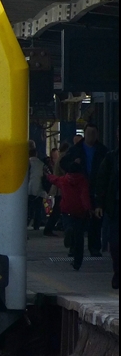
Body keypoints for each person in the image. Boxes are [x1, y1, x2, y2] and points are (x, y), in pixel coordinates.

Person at [61, 124, 108, 255]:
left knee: (95, 220)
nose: (91, 136)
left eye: (93, 133)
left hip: (96, 189)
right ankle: (74, 247)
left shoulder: (103, 151)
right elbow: (63, 163)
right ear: (84, 134)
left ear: (97, 135)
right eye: (88, 133)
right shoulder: (75, 150)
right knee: (78, 220)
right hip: (78, 190)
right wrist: (73, 165)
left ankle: (94, 247)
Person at [46, 164, 92, 270]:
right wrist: (88, 209)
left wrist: (48, 175)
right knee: (79, 237)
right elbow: (84, 195)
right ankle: (77, 262)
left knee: (69, 224)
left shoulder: (64, 180)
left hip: (67, 209)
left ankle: (68, 230)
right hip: (80, 211)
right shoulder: (83, 181)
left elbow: (55, 179)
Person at [95, 127, 119, 289]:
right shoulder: (111, 158)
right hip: (115, 207)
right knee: (115, 243)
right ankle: (118, 272)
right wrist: (99, 204)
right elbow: (102, 182)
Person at [42, 146, 63, 236]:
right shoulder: (57, 163)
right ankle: (49, 228)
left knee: (57, 209)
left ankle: (49, 228)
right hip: (58, 188)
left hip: (57, 187)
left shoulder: (51, 164)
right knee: (57, 209)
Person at [27, 140, 46, 231]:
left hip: (28, 190)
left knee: (28, 209)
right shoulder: (42, 164)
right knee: (38, 209)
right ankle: (36, 226)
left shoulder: (27, 163)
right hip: (39, 190)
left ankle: (26, 224)